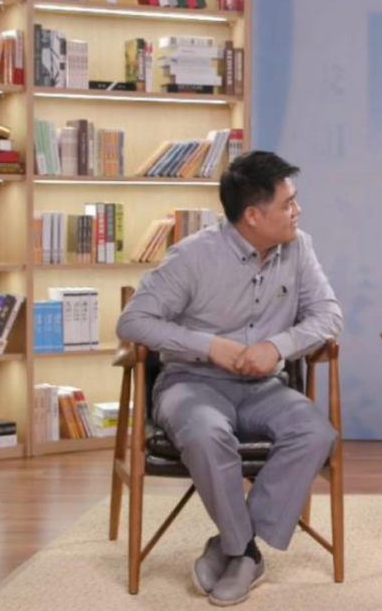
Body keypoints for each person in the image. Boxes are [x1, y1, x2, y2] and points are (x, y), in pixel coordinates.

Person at [117, 150, 343, 606]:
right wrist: (208, 346)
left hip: (265, 388)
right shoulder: (193, 256)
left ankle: (233, 545)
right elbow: (133, 322)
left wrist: (276, 347)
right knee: (205, 433)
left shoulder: (299, 248)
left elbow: (329, 316)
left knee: (316, 433)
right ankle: (245, 552)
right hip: (190, 384)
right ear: (253, 215)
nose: (297, 211)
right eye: (288, 204)